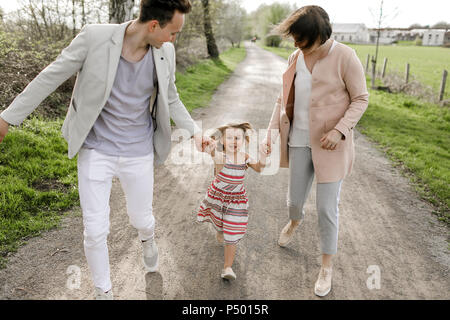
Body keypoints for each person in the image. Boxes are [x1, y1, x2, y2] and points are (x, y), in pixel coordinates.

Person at [0, 0, 214, 300]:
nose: (173, 39)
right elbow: (51, 75)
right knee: (95, 229)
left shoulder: (165, 52)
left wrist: (195, 132)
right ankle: (104, 292)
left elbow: (171, 96)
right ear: (154, 25)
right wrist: (8, 116)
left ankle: (147, 238)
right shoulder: (94, 37)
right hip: (95, 148)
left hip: (137, 150)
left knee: (141, 218)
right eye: (173, 32)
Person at [262, 5, 369, 297]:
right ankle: (295, 221)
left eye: (301, 39)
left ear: (319, 35)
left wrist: (339, 130)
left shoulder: (345, 56)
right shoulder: (295, 57)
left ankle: (326, 267)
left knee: (326, 208)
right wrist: (270, 133)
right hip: (297, 140)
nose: (295, 44)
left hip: (331, 147)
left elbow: (361, 99)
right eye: (294, 38)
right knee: (294, 200)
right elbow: (280, 100)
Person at [197, 122, 268, 280]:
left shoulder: (245, 157)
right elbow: (213, 153)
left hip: (236, 200)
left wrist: (263, 156)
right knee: (219, 223)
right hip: (218, 198)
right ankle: (220, 229)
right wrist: (210, 145)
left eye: (238, 138)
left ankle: (227, 268)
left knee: (232, 232)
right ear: (222, 140)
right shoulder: (221, 156)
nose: (234, 141)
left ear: (244, 141)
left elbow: (259, 168)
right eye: (229, 138)